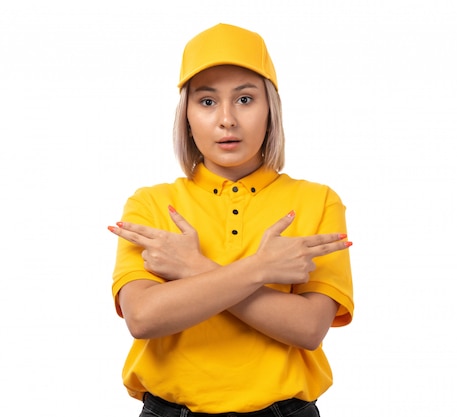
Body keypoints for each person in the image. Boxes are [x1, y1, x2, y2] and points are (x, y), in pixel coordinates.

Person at [108, 23, 354, 417]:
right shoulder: (152, 203)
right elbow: (143, 317)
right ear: (186, 114)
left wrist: (195, 268)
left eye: (244, 98)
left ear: (270, 108)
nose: (227, 119)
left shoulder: (317, 200)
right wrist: (261, 268)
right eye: (207, 102)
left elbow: (309, 328)